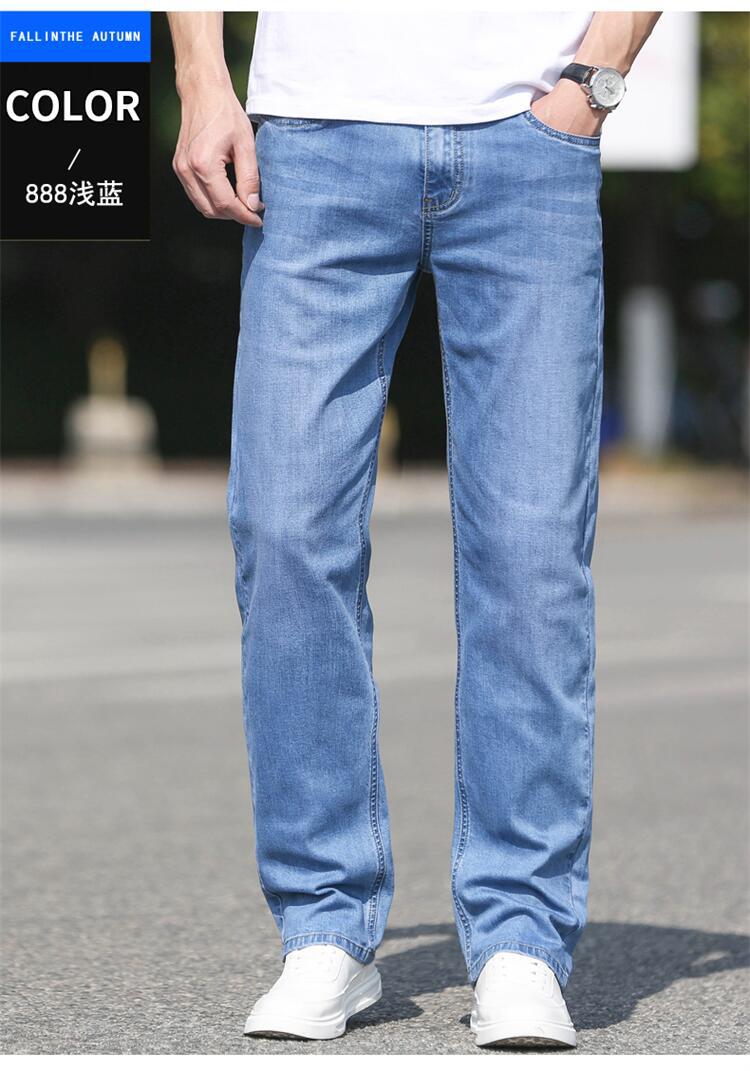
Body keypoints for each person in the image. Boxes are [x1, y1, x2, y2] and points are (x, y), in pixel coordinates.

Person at [168, 9, 660, 1048]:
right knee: (287, 531)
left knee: (530, 554)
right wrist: (203, 79)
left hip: (532, 138)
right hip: (312, 138)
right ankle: (325, 928)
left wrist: (596, 75)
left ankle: (522, 937)